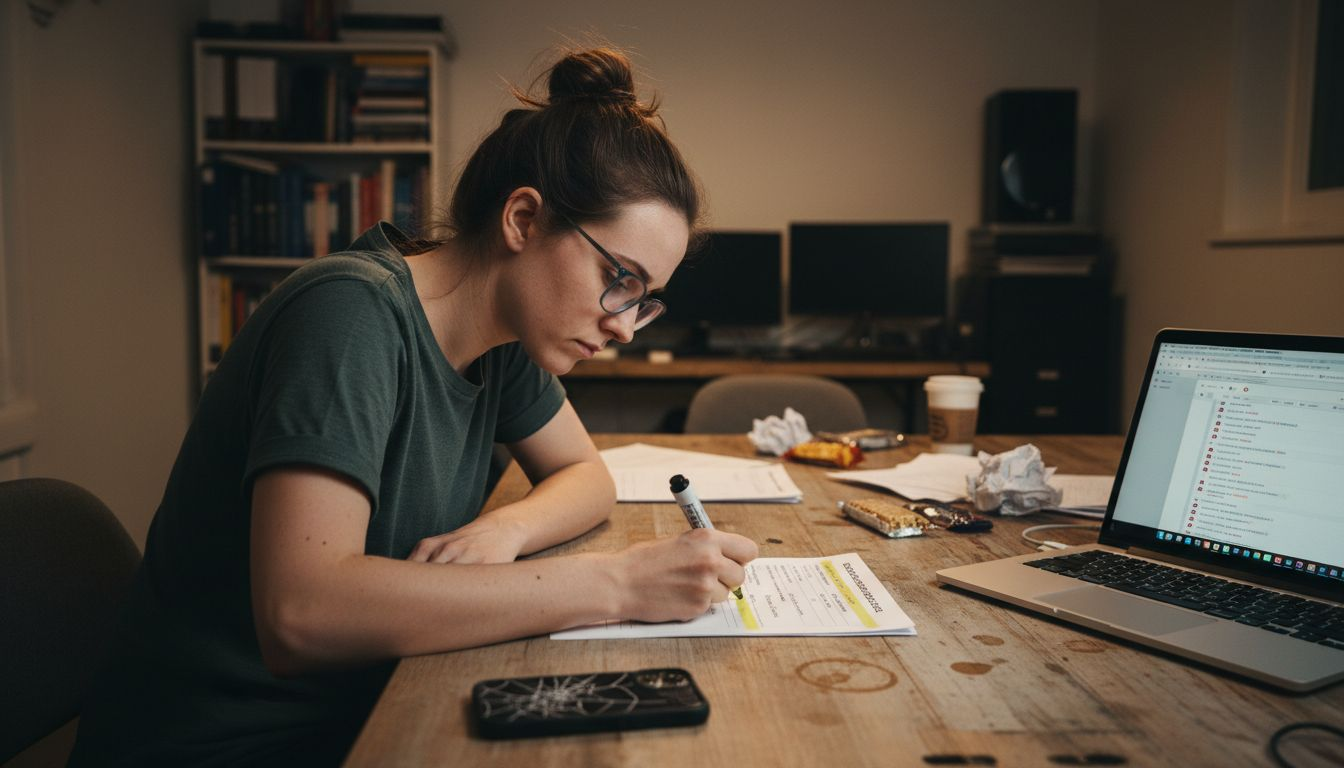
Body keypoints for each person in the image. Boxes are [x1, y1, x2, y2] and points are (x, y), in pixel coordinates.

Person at [68, 47, 758, 766]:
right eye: (619, 278)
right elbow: (303, 613)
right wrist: (616, 583)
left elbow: (588, 476)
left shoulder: (506, 342)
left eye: (644, 302)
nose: (622, 324)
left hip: (373, 701)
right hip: (232, 742)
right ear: (523, 219)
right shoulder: (348, 315)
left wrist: (507, 530)